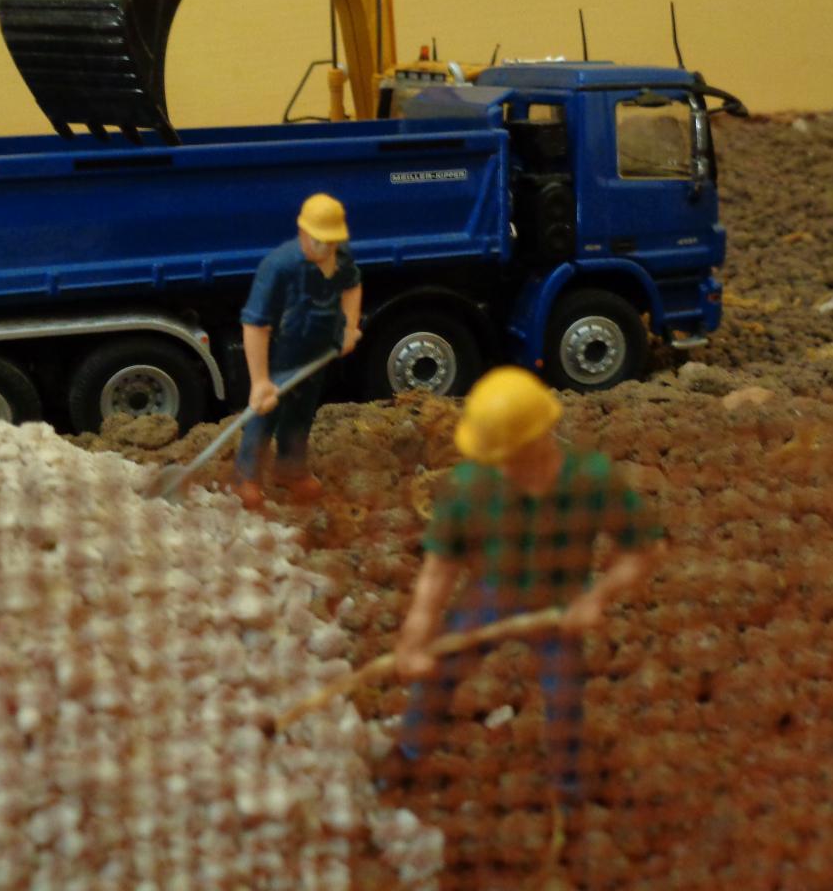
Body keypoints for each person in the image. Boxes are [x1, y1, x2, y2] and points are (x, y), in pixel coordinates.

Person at [388, 366, 661, 827]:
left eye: (507, 454)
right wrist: (416, 634)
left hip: (560, 603)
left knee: (565, 699)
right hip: (491, 595)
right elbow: (439, 569)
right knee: (437, 674)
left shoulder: (591, 480)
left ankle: (567, 791)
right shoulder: (470, 487)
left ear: (538, 438)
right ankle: (408, 756)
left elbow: (645, 550)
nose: (498, 465)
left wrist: (596, 598)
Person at [233, 193, 363, 510]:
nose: (326, 249)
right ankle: (246, 478)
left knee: (301, 414)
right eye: (319, 241)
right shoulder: (279, 266)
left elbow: (352, 287)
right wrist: (260, 381)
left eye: (331, 241)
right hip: (281, 355)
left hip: (317, 352)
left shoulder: (341, 257)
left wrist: (349, 327)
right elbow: (255, 325)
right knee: (265, 414)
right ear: (303, 232)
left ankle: (290, 469)